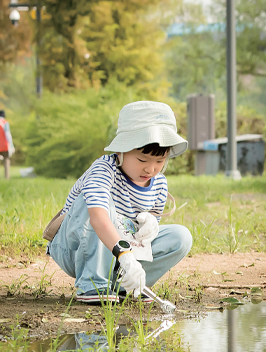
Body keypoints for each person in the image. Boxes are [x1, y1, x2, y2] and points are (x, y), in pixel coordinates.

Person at [46, 101, 192, 305]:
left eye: (160, 161)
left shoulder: (159, 184)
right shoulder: (104, 170)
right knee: (101, 205)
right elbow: (97, 217)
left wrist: (151, 224)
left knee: (181, 237)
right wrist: (124, 254)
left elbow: (146, 237)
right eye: (142, 160)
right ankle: (92, 282)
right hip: (76, 249)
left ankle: (129, 285)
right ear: (122, 151)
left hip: (119, 254)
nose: (151, 169)